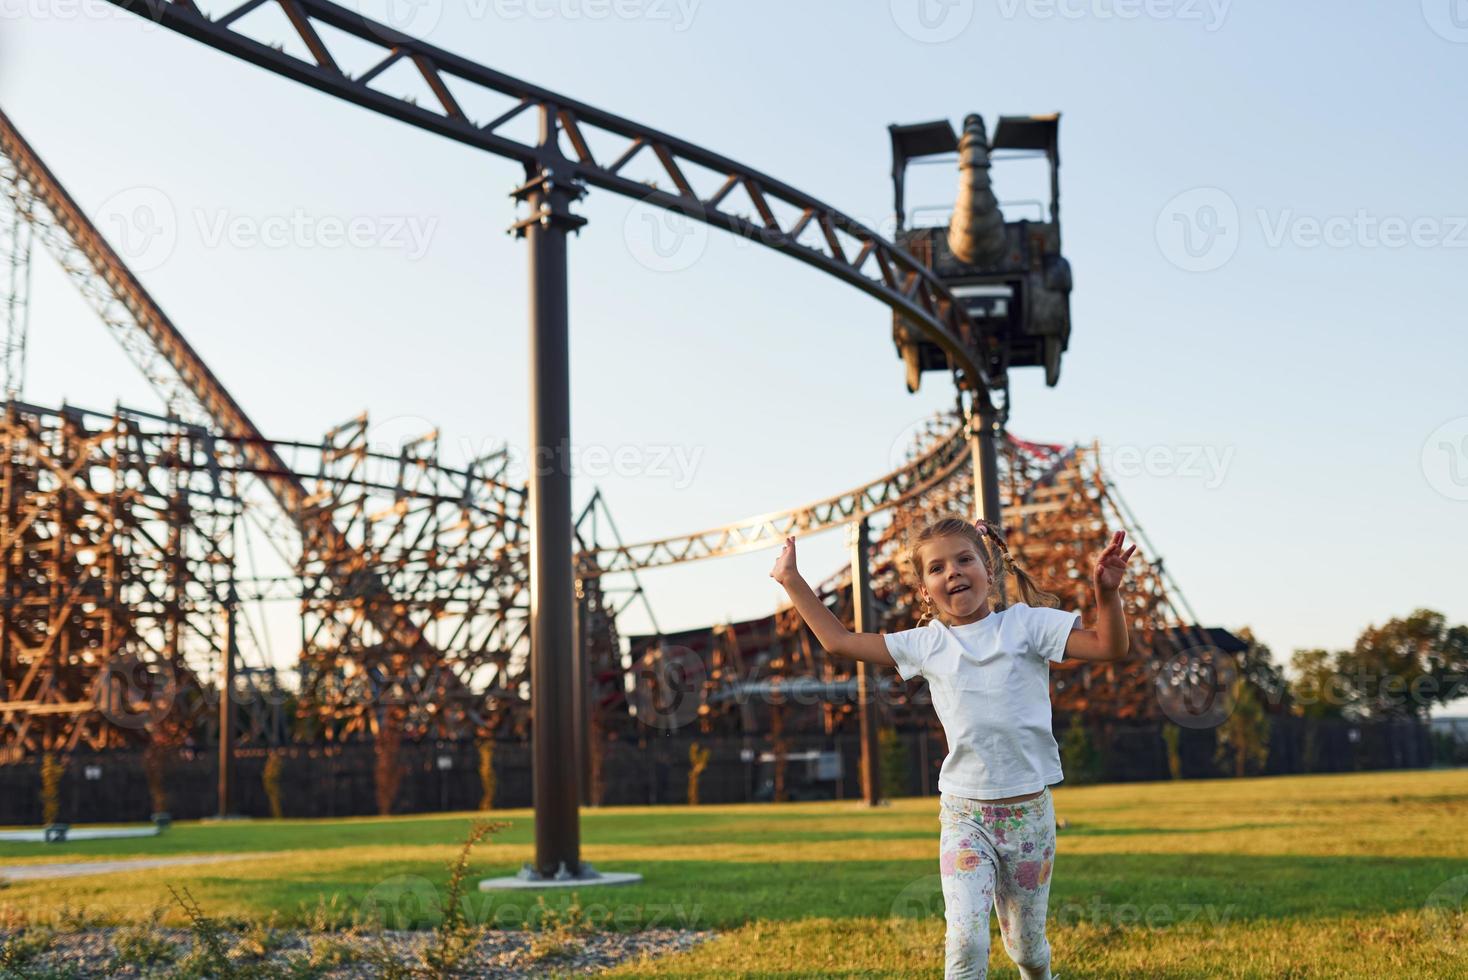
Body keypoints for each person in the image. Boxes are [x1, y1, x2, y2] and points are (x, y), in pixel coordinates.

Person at [768, 515, 1135, 980]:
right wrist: (791, 579)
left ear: (989, 570)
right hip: (965, 817)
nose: (953, 572)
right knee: (964, 942)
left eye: (964, 560)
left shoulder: (1027, 626)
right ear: (926, 590)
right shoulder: (927, 644)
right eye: (937, 568)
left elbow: (1109, 647)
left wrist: (1107, 594)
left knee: (1025, 947)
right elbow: (839, 642)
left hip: (1028, 817)